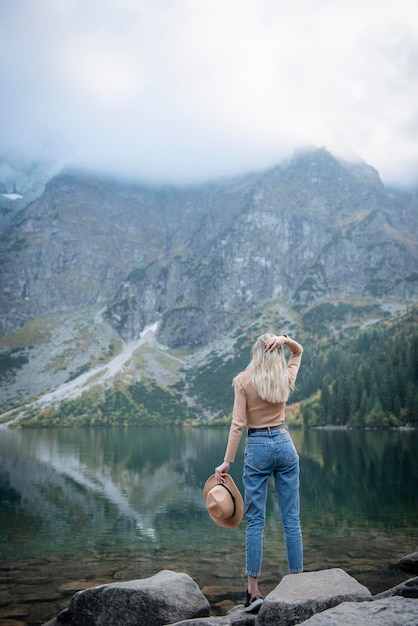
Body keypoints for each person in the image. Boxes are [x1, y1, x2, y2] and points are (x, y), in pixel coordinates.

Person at [215, 332, 303, 613]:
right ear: (276, 352)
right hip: (285, 442)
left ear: (255, 353)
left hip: (257, 447)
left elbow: (237, 424)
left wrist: (227, 461)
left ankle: (253, 593)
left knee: (255, 522)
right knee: (291, 518)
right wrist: (285, 339)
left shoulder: (242, 381)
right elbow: (298, 352)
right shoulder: (284, 378)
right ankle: (298, 584)